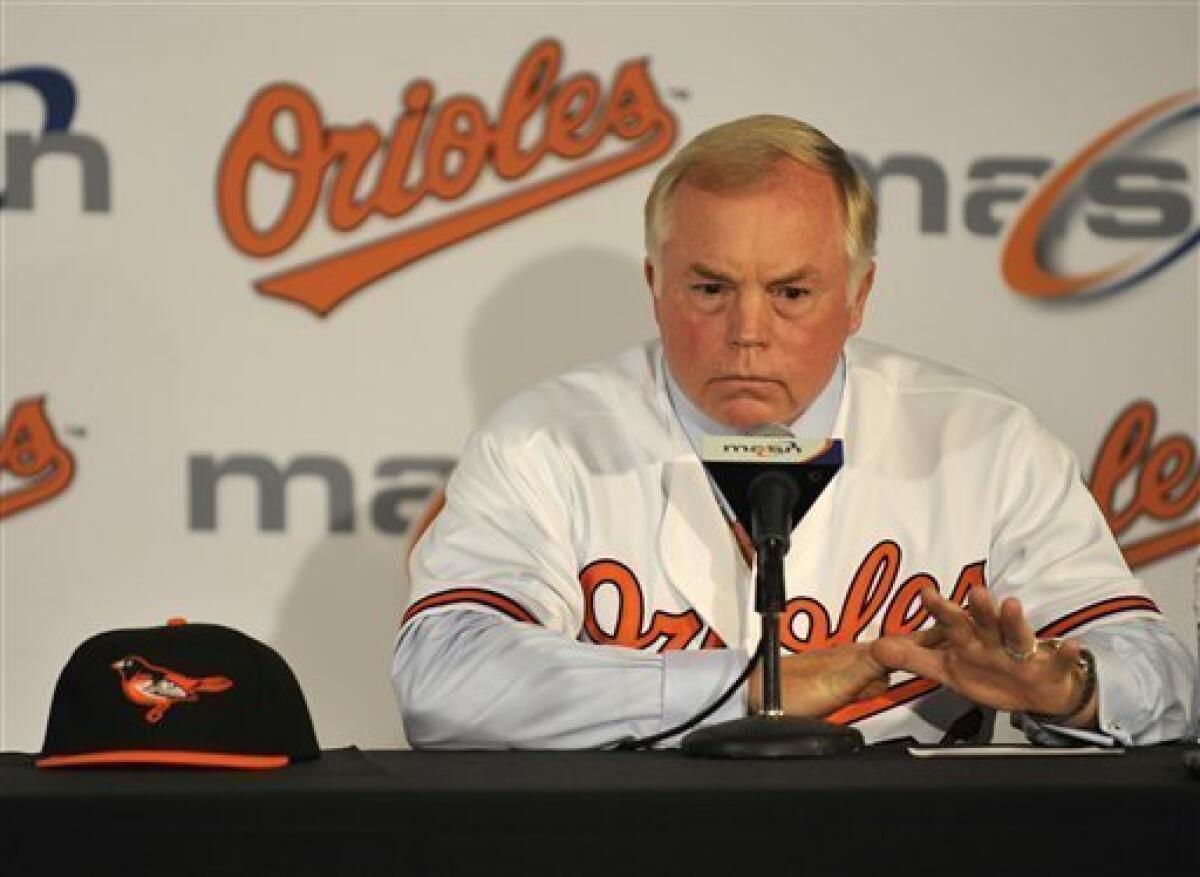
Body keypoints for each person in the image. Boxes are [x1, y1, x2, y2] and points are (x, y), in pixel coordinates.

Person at [392, 115, 1194, 749]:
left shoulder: (980, 440)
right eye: (709, 287)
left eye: (791, 292)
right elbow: (444, 676)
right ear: (655, 286)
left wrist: (1072, 687)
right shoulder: (546, 439)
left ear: (858, 296)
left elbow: (1164, 676)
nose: (748, 331)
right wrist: (744, 686)